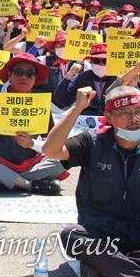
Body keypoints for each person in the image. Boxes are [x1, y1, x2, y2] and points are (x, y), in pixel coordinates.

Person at [43, 86, 140, 276]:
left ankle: (107, 268)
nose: (133, 118)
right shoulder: (92, 142)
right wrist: (76, 109)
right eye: (124, 113)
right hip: (98, 236)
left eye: (138, 111)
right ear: (109, 117)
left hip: (136, 238)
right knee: (71, 234)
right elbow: (51, 150)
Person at [0, 53, 67, 195]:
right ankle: (28, 185)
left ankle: (3, 181)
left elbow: (50, 147)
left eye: (30, 74)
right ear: (10, 75)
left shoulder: (41, 105)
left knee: (63, 160)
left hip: (29, 165)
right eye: (19, 72)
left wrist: (32, 144)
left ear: (35, 80)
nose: (24, 77)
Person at [53, 43, 117, 115]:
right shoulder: (79, 78)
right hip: (85, 119)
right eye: (96, 60)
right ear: (91, 61)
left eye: (105, 61)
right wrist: (69, 74)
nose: (101, 64)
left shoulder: (118, 79)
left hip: (112, 119)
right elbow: (59, 99)